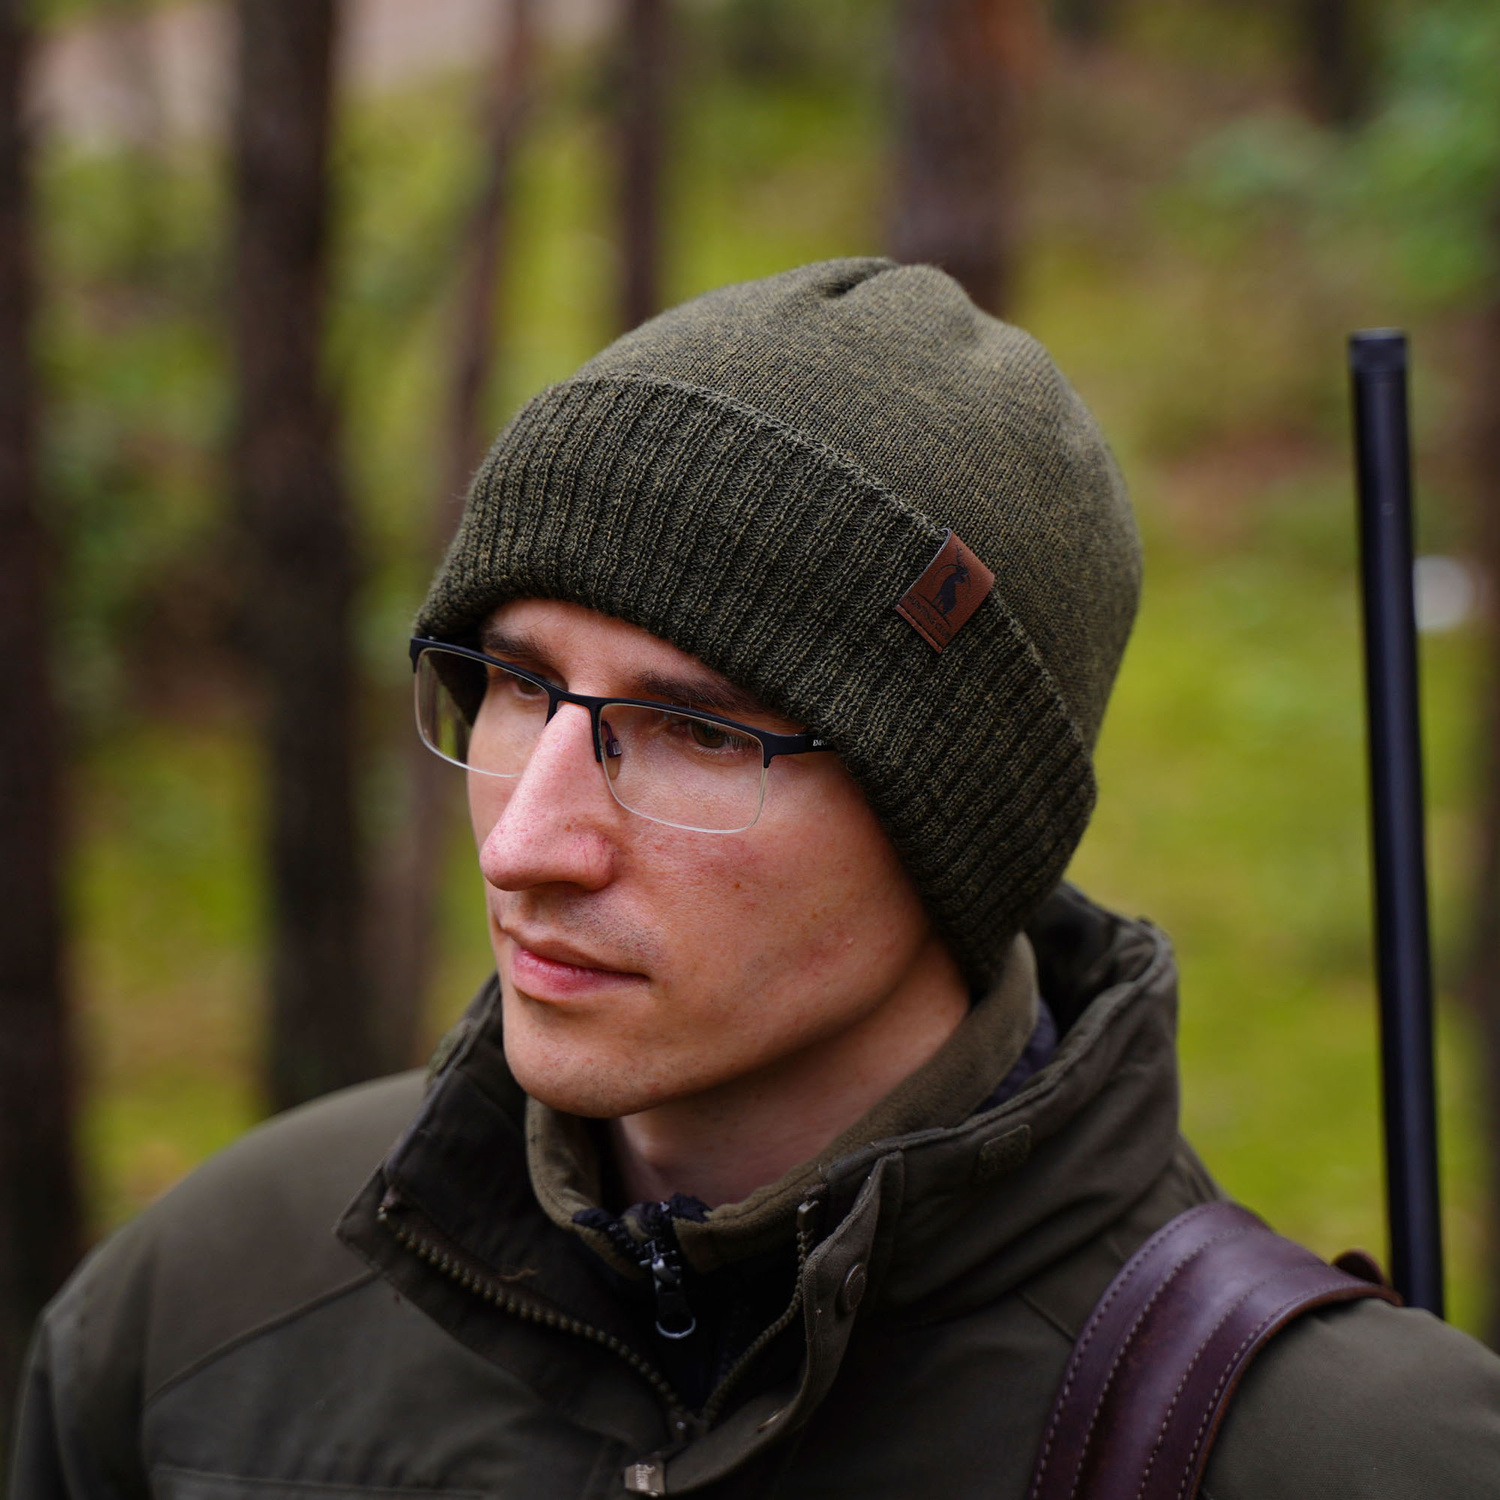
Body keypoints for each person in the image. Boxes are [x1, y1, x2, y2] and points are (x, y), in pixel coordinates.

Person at [11, 259, 1500, 1500]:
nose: (528, 842)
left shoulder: (1340, 1456)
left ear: (951, 823)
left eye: (694, 732)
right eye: (518, 686)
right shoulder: (205, 1314)